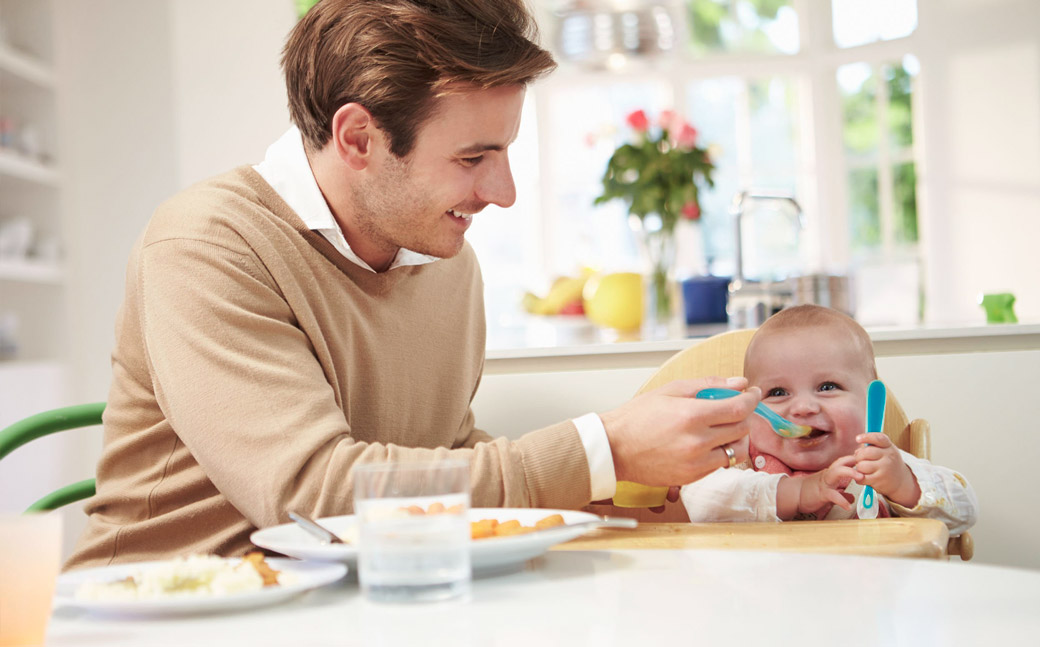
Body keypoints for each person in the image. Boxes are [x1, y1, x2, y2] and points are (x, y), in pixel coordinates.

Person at [66, 0, 758, 570]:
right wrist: (602, 449)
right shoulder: (208, 246)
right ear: (358, 138)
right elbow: (315, 497)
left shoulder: (446, 262)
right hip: (165, 612)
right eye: (473, 157)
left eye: (505, 152)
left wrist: (637, 479)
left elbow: (441, 466)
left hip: (353, 603)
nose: (503, 191)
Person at [680, 305, 978, 535]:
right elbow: (699, 499)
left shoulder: (878, 465)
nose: (803, 408)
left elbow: (964, 510)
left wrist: (903, 484)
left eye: (827, 387)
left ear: (870, 400)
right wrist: (797, 493)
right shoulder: (739, 461)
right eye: (778, 392)